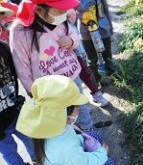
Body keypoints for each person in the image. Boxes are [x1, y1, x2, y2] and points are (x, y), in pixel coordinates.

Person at [10, 0, 94, 130]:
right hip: (49, 91)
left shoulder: (62, 18)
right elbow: (22, 66)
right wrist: (34, 92)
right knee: (61, 122)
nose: (64, 14)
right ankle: (74, 141)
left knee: (81, 109)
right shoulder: (20, 32)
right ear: (39, 10)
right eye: (60, 11)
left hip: (72, 77)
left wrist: (71, 41)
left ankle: (90, 134)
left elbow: (74, 35)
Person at [16, 75, 115, 165]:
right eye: (77, 106)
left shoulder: (50, 124)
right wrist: (102, 153)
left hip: (72, 154)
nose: (79, 108)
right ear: (64, 112)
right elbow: (83, 164)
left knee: (96, 135)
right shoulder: (62, 146)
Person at [0, 42, 44, 165]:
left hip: (14, 109)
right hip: (3, 121)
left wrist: (16, 96)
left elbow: (15, 71)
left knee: (27, 136)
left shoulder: (3, 47)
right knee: (9, 149)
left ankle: (39, 162)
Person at [67, 9, 109, 107]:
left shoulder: (65, 14)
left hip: (73, 46)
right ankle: (76, 108)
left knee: (85, 70)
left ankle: (96, 94)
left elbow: (72, 18)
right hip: (55, 54)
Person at [77, 0, 118, 84]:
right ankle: (95, 79)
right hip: (85, 31)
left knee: (107, 55)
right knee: (92, 59)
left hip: (103, 28)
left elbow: (105, 9)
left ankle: (112, 74)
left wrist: (110, 26)